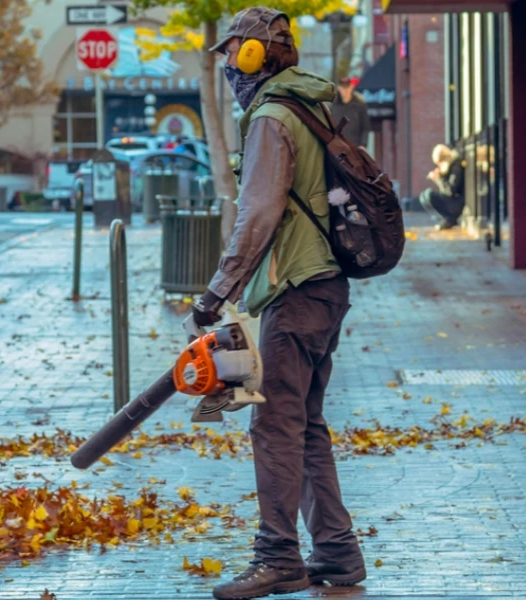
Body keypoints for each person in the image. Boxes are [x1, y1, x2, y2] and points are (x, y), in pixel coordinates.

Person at [194, 7, 366, 600]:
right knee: (304, 422)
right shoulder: (306, 104)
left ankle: (278, 558)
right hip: (325, 286)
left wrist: (219, 290)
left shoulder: (271, 116)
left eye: (231, 54)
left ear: (252, 55)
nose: (226, 67)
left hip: (298, 290)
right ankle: (338, 555)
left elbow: (259, 212)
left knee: (274, 424)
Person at [419, 143, 466, 230]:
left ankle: (450, 219)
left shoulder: (456, 166)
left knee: (429, 194)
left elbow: (451, 190)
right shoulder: (449, 167)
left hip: (457, 202)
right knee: (423, 196)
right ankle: (444, 219)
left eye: (439, 163)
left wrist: (438, 179)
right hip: (453, 201)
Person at [330, 76, 369, 148]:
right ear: (339, 88)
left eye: (347, 87)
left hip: (354, 147)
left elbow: (365, 128)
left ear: (351, 87)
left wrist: (363, 145)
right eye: (343, 88)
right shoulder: (333, 106)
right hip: (337, 147)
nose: (345, 90)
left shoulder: (360, 105)